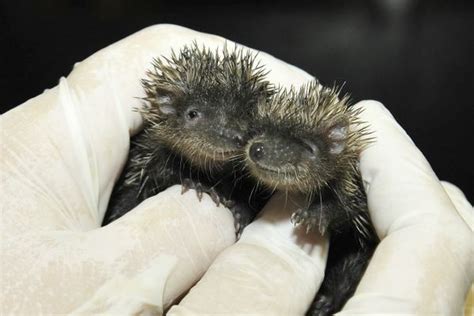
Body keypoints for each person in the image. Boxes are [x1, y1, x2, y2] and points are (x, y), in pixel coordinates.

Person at [1, 24, 472, 315]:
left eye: (241, 123)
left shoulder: (333, 194)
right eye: (196, 117)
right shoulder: (142, 157)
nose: (230, 138)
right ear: (164, 109)